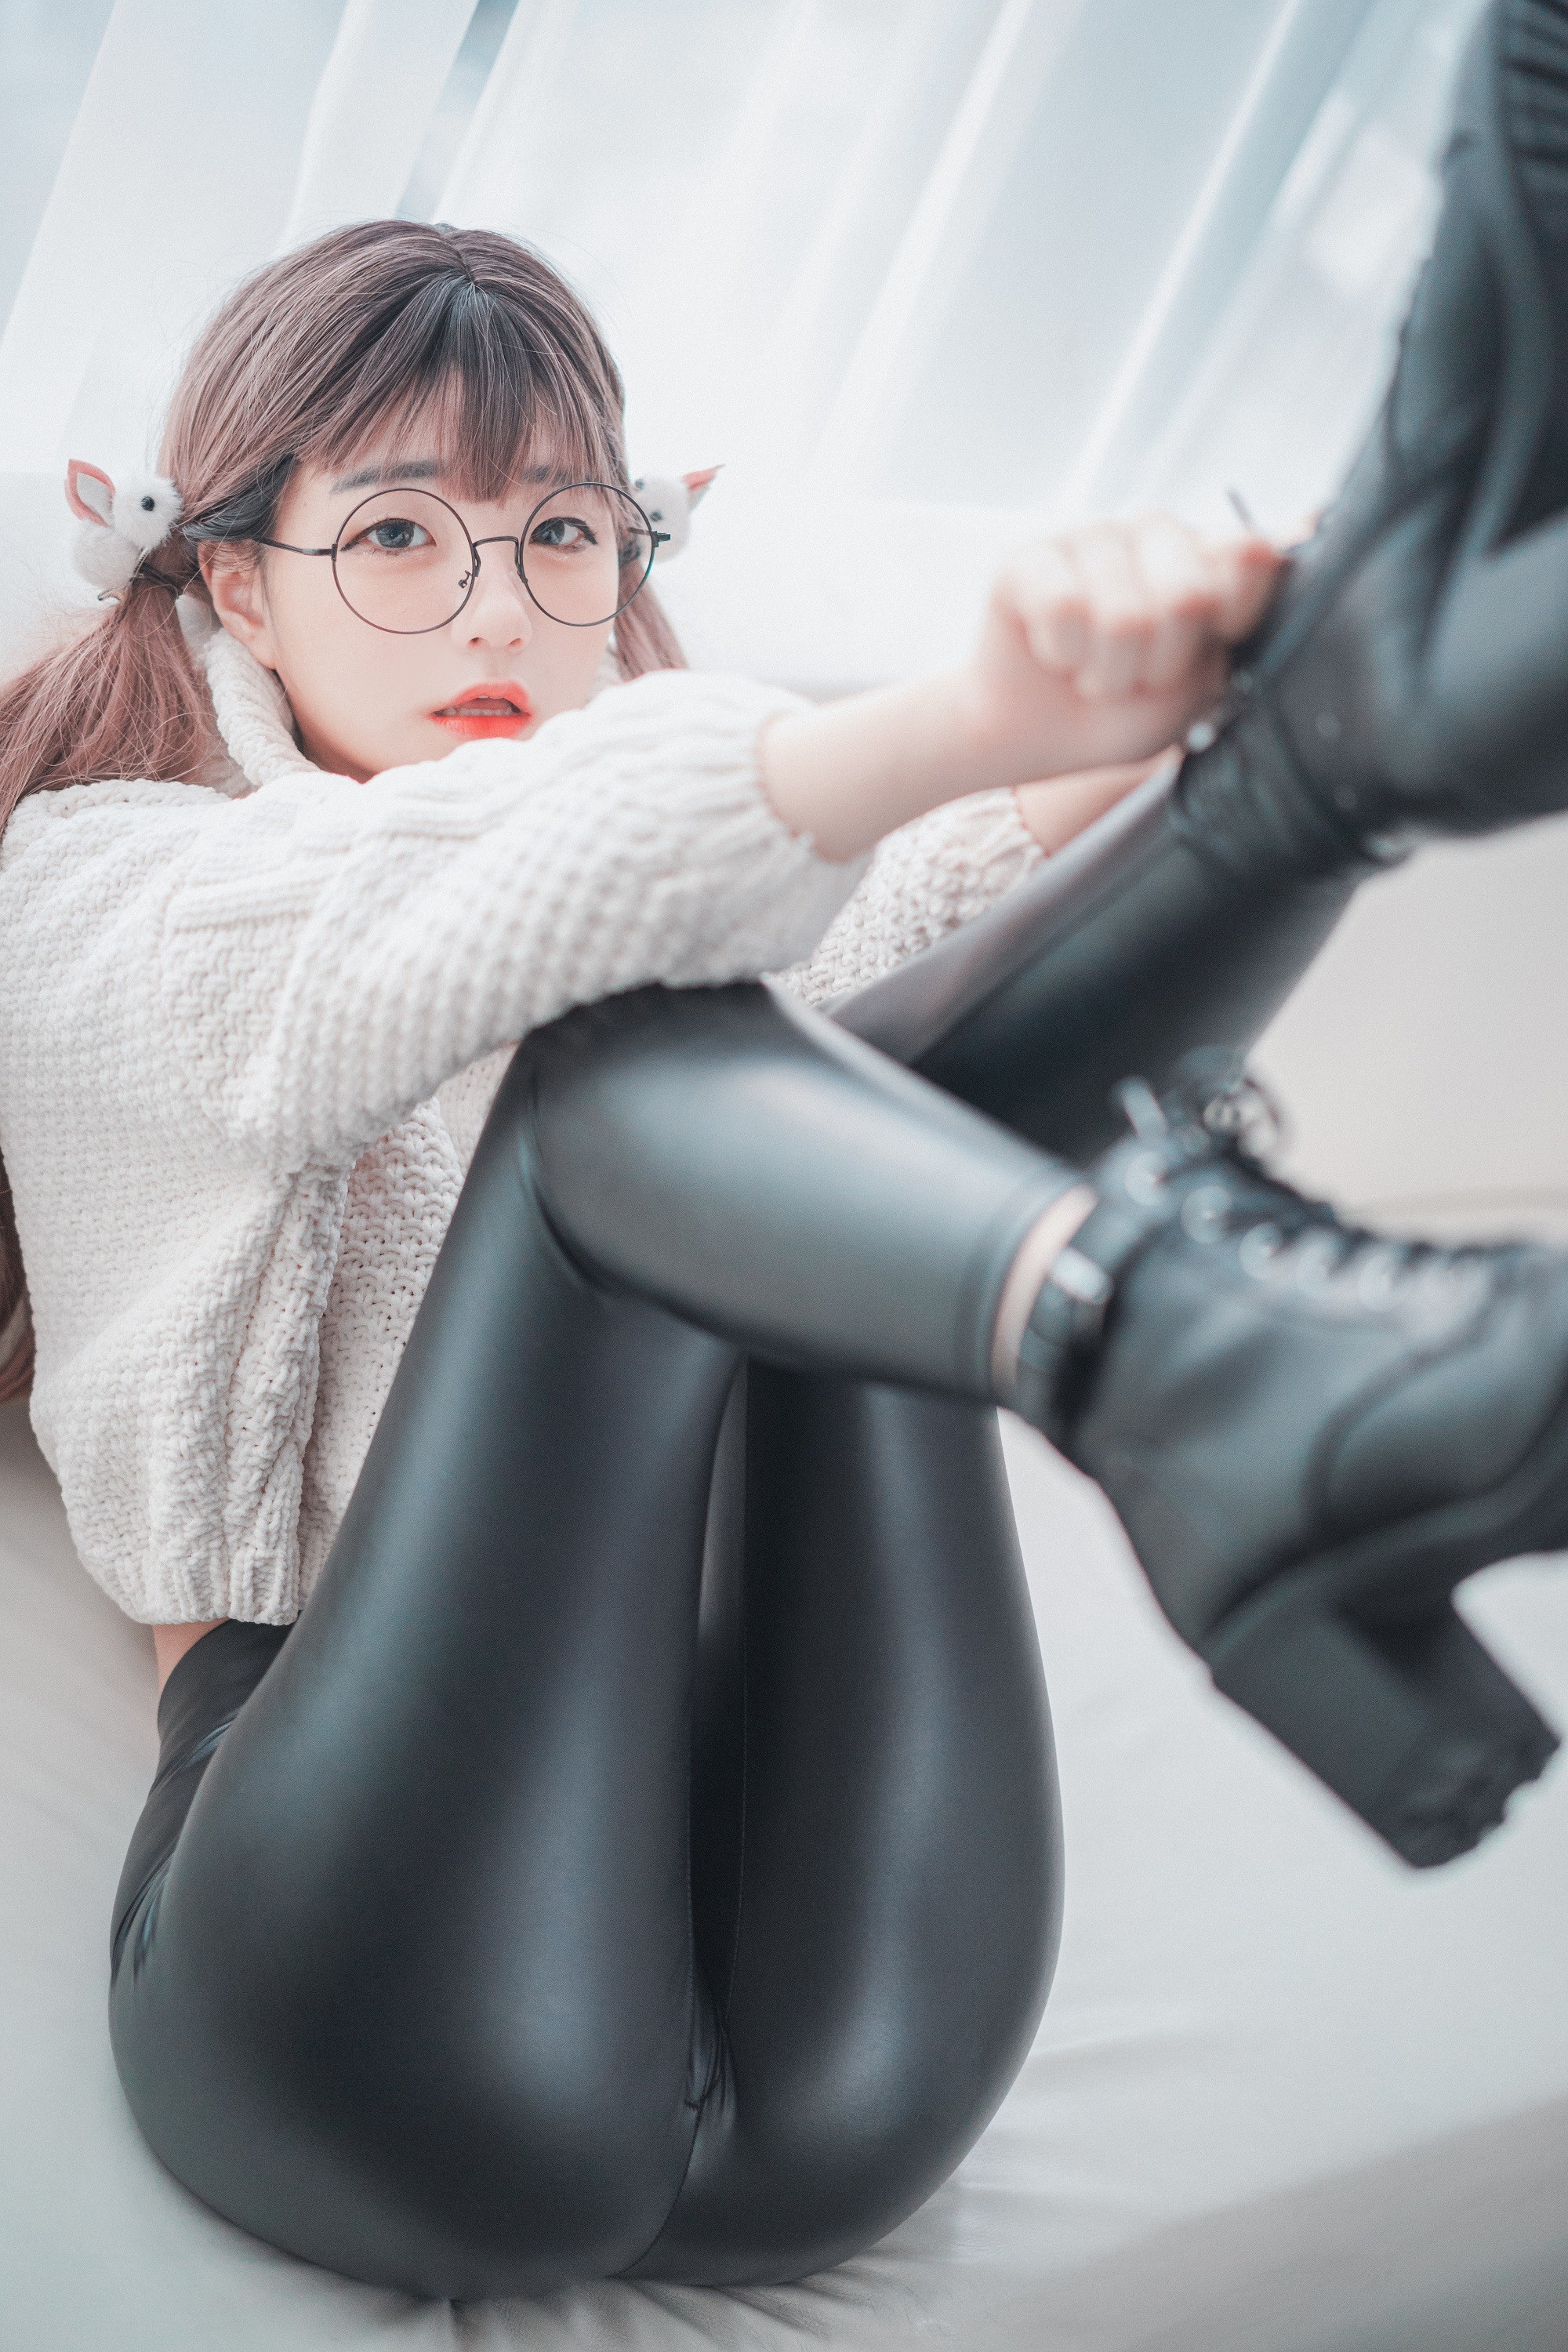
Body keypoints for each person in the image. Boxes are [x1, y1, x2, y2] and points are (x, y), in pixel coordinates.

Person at [1, 0, 1566, 2298]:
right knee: (618, 1061)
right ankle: (1189, 1356)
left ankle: (1361, 751)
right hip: (364, 1996)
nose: (501, 607)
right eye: (402, 533)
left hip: (848, 2038)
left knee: (840, 1092)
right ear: (236, 578)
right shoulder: (103, 881)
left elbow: (930, 932)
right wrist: (958, 715)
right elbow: (397, 929)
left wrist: (1277, 678)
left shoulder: (657, 875)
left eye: (559, 533)